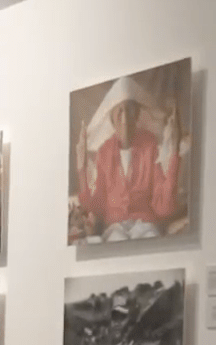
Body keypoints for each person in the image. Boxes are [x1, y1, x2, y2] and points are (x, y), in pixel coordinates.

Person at [72, 78, 185, 243]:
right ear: (112, 119)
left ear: (137, 115)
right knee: (116, 242)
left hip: (145, 225)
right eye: (120, 112)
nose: (125, 120)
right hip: (115, 227)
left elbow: (164, 207)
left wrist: (174, 150)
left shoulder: (149, 144)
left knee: (150, 240)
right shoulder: (104, 151)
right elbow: (96, 205)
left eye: (130, 111)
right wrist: (81, 167)